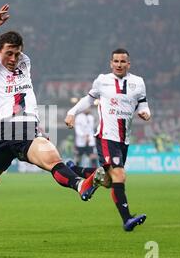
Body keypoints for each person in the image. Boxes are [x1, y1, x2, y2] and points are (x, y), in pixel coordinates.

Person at [0, 4, 105, 247]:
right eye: (9, 53)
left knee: (52, 159)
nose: (13, 59)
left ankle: (80, 185)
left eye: (17, 54)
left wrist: (39, 126)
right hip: (1, 131)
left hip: (26, 128)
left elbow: (27, 95)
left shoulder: (25, 62)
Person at [64, 48, 151, 232]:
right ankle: (127, 220)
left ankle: (75, 169)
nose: (119, 65)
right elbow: (88, 100)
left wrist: (145, 112)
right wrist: (72, 112)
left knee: (110, 181)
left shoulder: (138, 82)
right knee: (119, 175)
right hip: (106, 136)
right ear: (111, 63)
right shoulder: (102, 80)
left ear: (129, 63)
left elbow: (143, 104)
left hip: (124, 140)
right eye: (116, 61)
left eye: (123, 61)